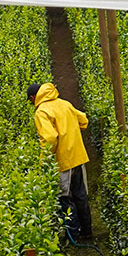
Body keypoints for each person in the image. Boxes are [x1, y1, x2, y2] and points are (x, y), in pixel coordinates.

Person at [27, 82, 93, 241]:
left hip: (63, 160)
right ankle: (87, 231)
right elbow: (83, 120)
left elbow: (50, 138)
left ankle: (74, 236)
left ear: (33, 97)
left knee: (65, 198)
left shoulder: (42, 112)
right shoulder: (65, 104)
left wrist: (46, 161)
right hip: (78, 156)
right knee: (80, 195)